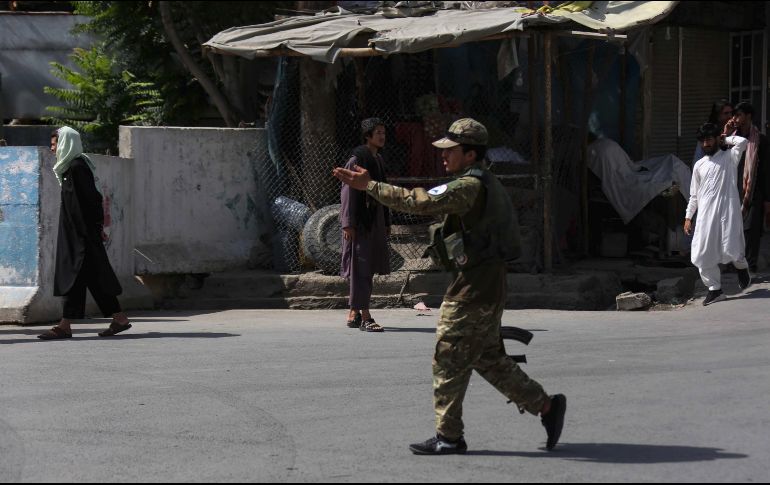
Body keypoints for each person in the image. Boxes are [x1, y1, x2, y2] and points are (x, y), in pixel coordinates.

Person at [333, 118, 566, 454]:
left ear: (470, 154)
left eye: (450, 151)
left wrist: (371, 186)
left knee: (447, 357)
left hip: (474, 289)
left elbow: (420, 202)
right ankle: (546, 406)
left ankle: (449, 437)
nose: (443, 157)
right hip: (483, 283)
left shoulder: (468, 187)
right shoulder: (481, 182)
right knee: (488, 359)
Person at [37, 127, 132, 340]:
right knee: (87, 277)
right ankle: (117, 319)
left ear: (65, 144)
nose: (53, 149)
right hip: (78, 234)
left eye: (55, 144)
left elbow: (91, 201)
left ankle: (65, 326)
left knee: (78, 275)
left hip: (80, 235)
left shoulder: (77, 167)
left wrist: (93, 230)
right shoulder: (71, 168)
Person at [685, 123, 752, 306]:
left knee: (732, 247)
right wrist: (688, 217)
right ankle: (715, 290)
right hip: (706, 214)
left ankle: (741, 267)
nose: (705, 144)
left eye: (709, 139)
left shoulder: (729, 157)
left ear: (716, 139)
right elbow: (694, 195)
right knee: (701, 253)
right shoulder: (699, 165)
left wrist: (726, 138)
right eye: (702, 141)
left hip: (727, 210)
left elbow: (743, 142)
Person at [339, 118, 391, 333]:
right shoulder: (357, 159)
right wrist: (348, 223)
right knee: (360, 267)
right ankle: (366, 316)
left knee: (366, 267)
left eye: (383, 133)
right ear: (367, 136)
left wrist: (386, 221)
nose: (382, 136)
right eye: (378, 133)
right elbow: (348, 193)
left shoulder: (377, 159)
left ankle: (354, 311)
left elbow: (383, 191)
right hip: (360, 221)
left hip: (375, 219)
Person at [729, 102, 770, 273]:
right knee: (734, 228)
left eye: (739, 115)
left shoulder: (761, 140)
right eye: (734, 115)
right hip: (733, 189)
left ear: (748, 116)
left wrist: (767, 199)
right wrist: (725, 131)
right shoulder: (730, 139)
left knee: (753, 230)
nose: (735, 119)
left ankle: (750, 265)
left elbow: (766, 171)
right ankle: (736, 263)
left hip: (754, 192)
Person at [692, 99, 734, 164]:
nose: (730, 116)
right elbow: (698, 158)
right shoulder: (707, 131)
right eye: (726, 113)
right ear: (717, 115)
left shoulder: (735, 130)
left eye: (731, 113)